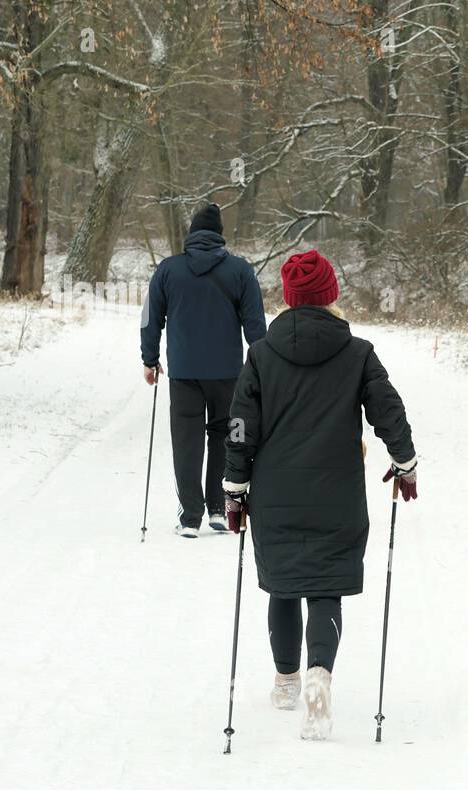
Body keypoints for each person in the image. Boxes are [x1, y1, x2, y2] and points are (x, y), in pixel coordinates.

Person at [222, 250, 417, 741]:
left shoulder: (262, 355)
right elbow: (388, 410)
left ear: (287, 298)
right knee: (325, 587)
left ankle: (286, 682)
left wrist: (234, 489)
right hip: (338, 493)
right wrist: (406, 463)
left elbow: (241, 427)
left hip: (275, 494)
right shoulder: (358, 352)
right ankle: (318, 677)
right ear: (331, 295)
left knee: (283, 584)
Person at [141, 203, 267, 537]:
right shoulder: (240, 271)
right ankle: (217, 509)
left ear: (192, 235)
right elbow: (255, 324)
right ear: (220, 236)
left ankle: (189, 518)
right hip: (228, 373)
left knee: (187, 440)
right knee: (225, 436)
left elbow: (150, 319)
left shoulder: (168, 270)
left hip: (184, 373)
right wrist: (262, 366)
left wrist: (149, 359)